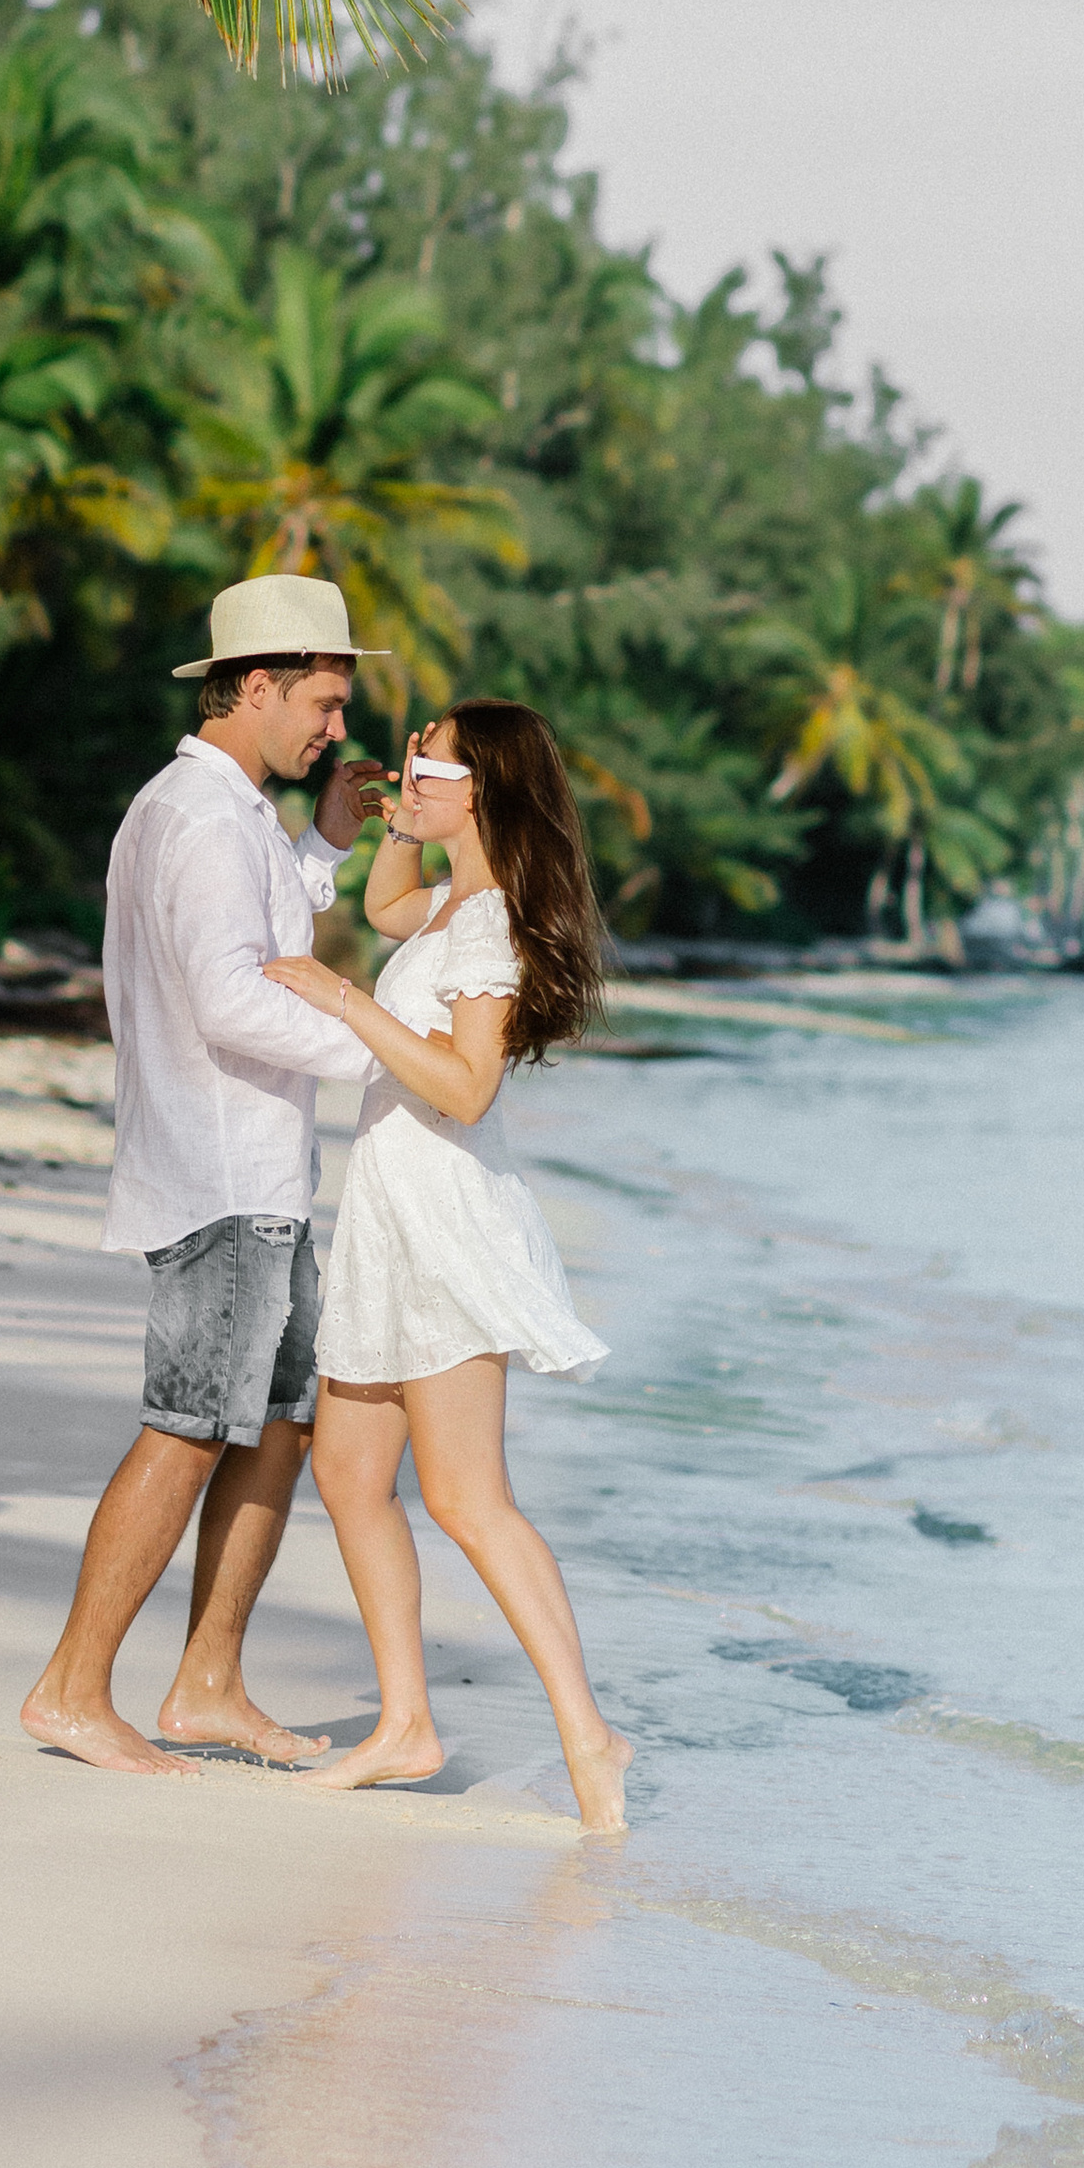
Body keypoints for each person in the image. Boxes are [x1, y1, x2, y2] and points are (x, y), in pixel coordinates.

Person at [19, 577, 384, 1775]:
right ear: (260, 685)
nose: (337, 729)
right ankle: (73, 1691)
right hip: (220, 1176)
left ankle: (208, 1684)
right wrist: (387, 1056)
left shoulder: (228, 815)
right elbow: (231, 995)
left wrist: (325, 841)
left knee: (276, 1429)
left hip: (260, 1177)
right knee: (185, 1430)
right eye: (324, 704)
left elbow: (262, 928)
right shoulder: (197, 817)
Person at [263, 700, 631, 1833]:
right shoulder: (450, 909)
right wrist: (400, 823)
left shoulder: (491, 929)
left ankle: (589, 1734)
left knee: (469, 1499)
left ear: (488, 789)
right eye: (412, 755)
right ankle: (406, 1726)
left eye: (432, 762)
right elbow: (382, 905)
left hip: (445, 1225)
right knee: (349, 1479)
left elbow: (466, 1087)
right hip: (388, 1217)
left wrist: (339, 998)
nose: (408, 769)